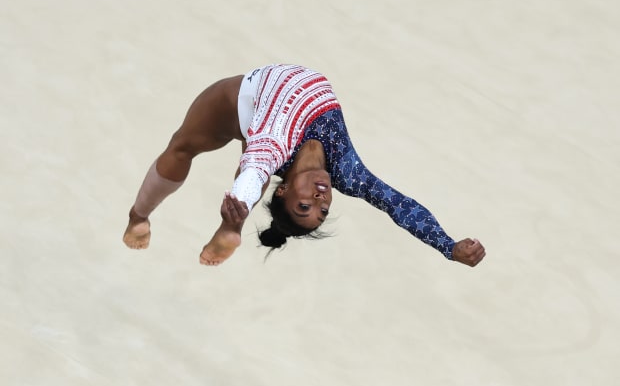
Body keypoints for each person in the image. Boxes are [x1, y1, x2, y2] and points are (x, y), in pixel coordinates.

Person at [123, 64, 486, 267]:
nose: (321, 198)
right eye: (322, 210)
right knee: (255, 164)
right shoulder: (346, 169)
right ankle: (231, 222)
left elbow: (252, 175)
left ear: (284, 190)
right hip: (264, 121)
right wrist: (447, 246)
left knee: (184, 146)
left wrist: (234, 216)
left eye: (304, 206)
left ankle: (138, 216)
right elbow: (397, 204)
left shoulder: (273, 144)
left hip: (238, 105)